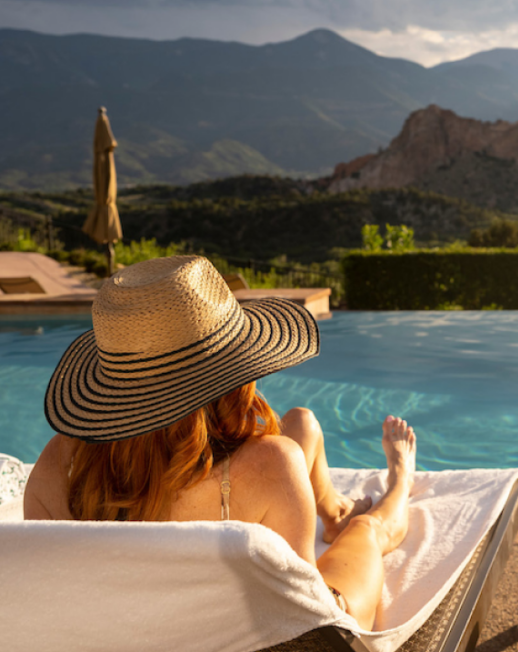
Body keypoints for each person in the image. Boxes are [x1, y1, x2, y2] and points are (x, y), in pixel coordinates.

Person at [22, 255, 415, 632]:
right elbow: (305, 615)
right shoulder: (272, 464)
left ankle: (332, 512)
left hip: (118, 642)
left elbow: (53, 592)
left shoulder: (58, 463)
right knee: (367, 528)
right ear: (236, 367)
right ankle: (399, 483)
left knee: (301, 424)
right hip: (254, 639)